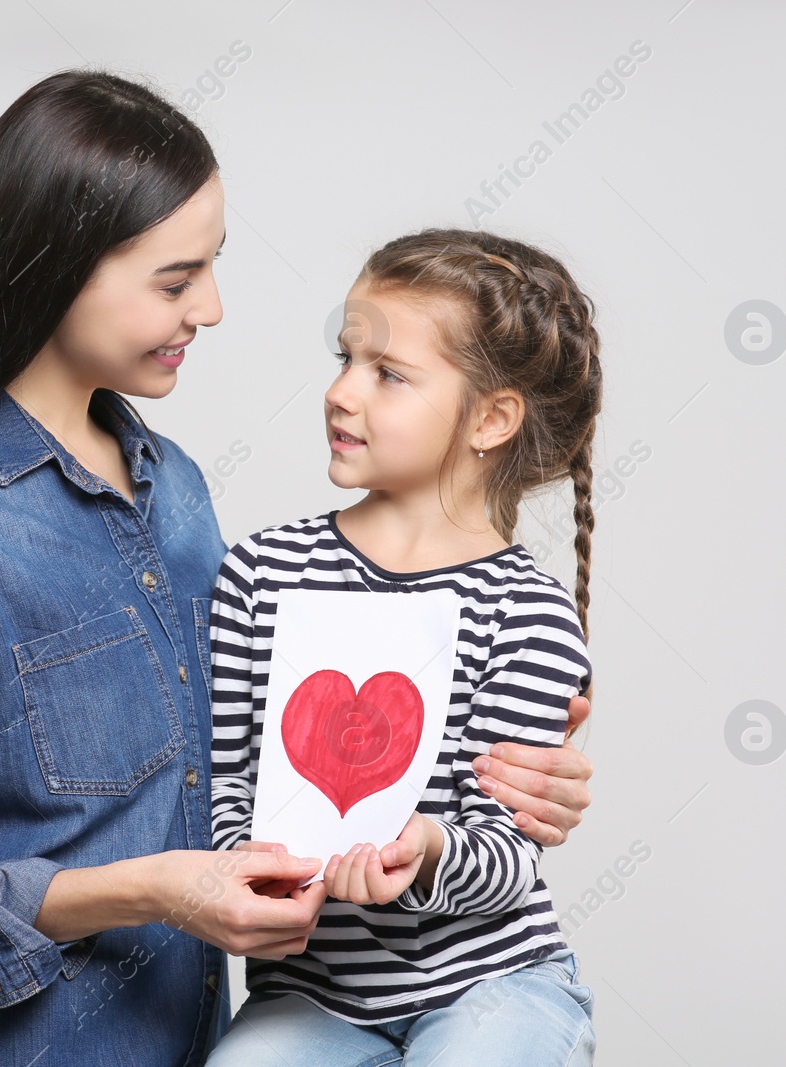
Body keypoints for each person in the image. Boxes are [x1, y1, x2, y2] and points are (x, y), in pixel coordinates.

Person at [0, 70, 597, 1067]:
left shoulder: (179, 497)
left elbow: (267, 752)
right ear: (55, 267)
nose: (210, 307)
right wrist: (147, 889)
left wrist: (504, 772)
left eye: (211, 266)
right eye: (175, 279)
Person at [205, 228, 603, 1066]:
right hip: (312, 992)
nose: (342, 392)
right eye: (345, 357)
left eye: (387, 373)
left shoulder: (526, 611)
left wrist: (422, 848)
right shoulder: (262, 572)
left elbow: (504, 851)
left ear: (491, 419)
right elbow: (228, 774)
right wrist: (251, 856)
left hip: (490, 979)